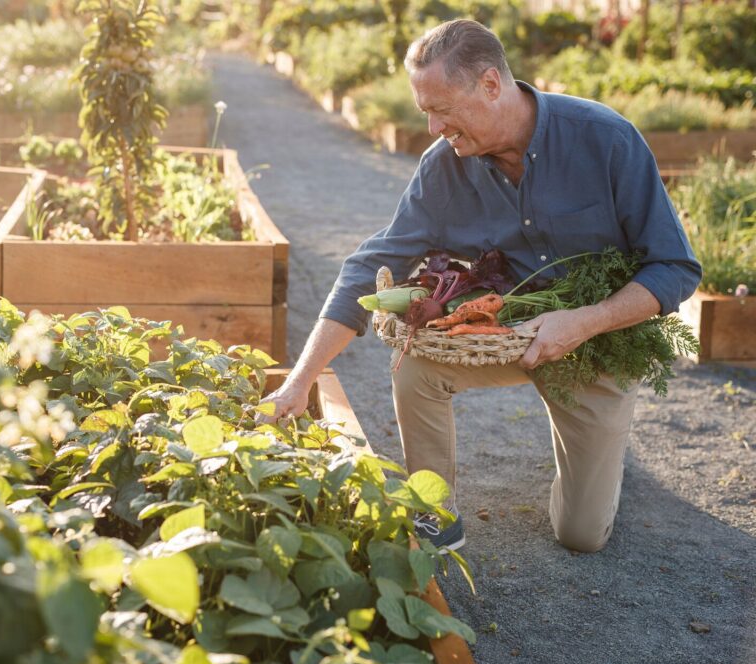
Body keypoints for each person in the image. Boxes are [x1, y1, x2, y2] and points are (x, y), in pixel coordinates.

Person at [263, 19, 702, 553]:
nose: (431, 127)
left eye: (440, 109)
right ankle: (433, 514)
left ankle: (605, 464)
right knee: (416, 364)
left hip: (600, 342)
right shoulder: (443, 169)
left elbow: (675, 267)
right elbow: (367, 266)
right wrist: (300, 381)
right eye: (424, 111)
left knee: (582, 534)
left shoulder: (605, 139)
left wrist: (585, 320)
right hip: (505, 333)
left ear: (491, 85)